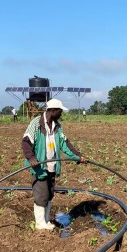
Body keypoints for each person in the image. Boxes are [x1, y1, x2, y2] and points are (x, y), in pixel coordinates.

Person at [21, 98, 87, 230]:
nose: (61, 114)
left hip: (52, 166)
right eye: (60, 111)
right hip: (39, 167)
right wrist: (31, 158)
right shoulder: (36, 123)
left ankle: (46, 221)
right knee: (41, 195)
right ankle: (40, 224)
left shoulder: (57, 126)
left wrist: (78, 157)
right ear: (53, 111)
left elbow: (65, 144)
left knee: (50, 194)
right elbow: (26, 142)